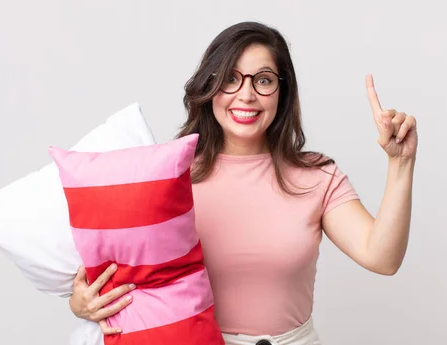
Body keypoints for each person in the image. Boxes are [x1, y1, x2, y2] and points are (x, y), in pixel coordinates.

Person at [67, 21, 418, 344]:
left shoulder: (317, 176)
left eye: (263, 80)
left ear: (282, 91)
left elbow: (382, 257)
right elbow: (116, 272)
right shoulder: (169, 175)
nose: (246, 95)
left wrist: (401, 164)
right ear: (210, 86)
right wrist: (80, 302)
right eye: (231, 79)